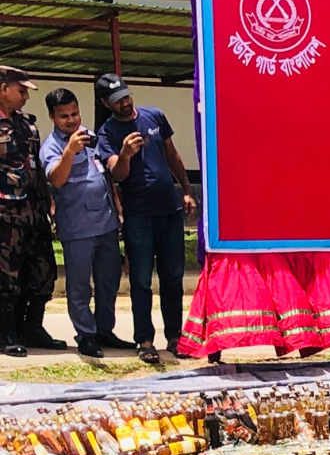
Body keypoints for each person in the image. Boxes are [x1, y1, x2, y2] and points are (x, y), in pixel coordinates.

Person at [96, 73, 196, 364]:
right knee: (140, 280)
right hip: (139, 216)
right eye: (117, 101)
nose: (125, 103)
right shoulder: (108, 133)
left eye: (126, 97)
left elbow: (172, 154)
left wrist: (187, 191)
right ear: (107, 103)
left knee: (173, 277)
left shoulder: (155, 116)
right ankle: (145, 340)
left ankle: (175, 337)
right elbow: (117, 174)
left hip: (169, 212)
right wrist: (125, 153)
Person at [39, 88, 134, 358]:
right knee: (80, 285)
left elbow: (105, 176)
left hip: (105, 223)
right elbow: (56, 179)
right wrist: (69, 151)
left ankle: (105, 329)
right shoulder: (52, 147)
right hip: (77, 227)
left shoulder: (91, 137)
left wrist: (118, 212)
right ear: (52, 117)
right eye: (64, 116)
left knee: (109, 281)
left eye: (74, 113)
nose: (71, 120)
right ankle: (86, 334)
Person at [0, 66, 61, 357]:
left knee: (43, 273)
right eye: (20, 89)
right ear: (3, 89)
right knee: (6, 278)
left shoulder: (27, 125)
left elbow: (35, 166)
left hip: (33, 210)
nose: (25, 95)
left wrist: (48, 199)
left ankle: (33, 328)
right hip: (4, 213)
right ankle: (7, 332)